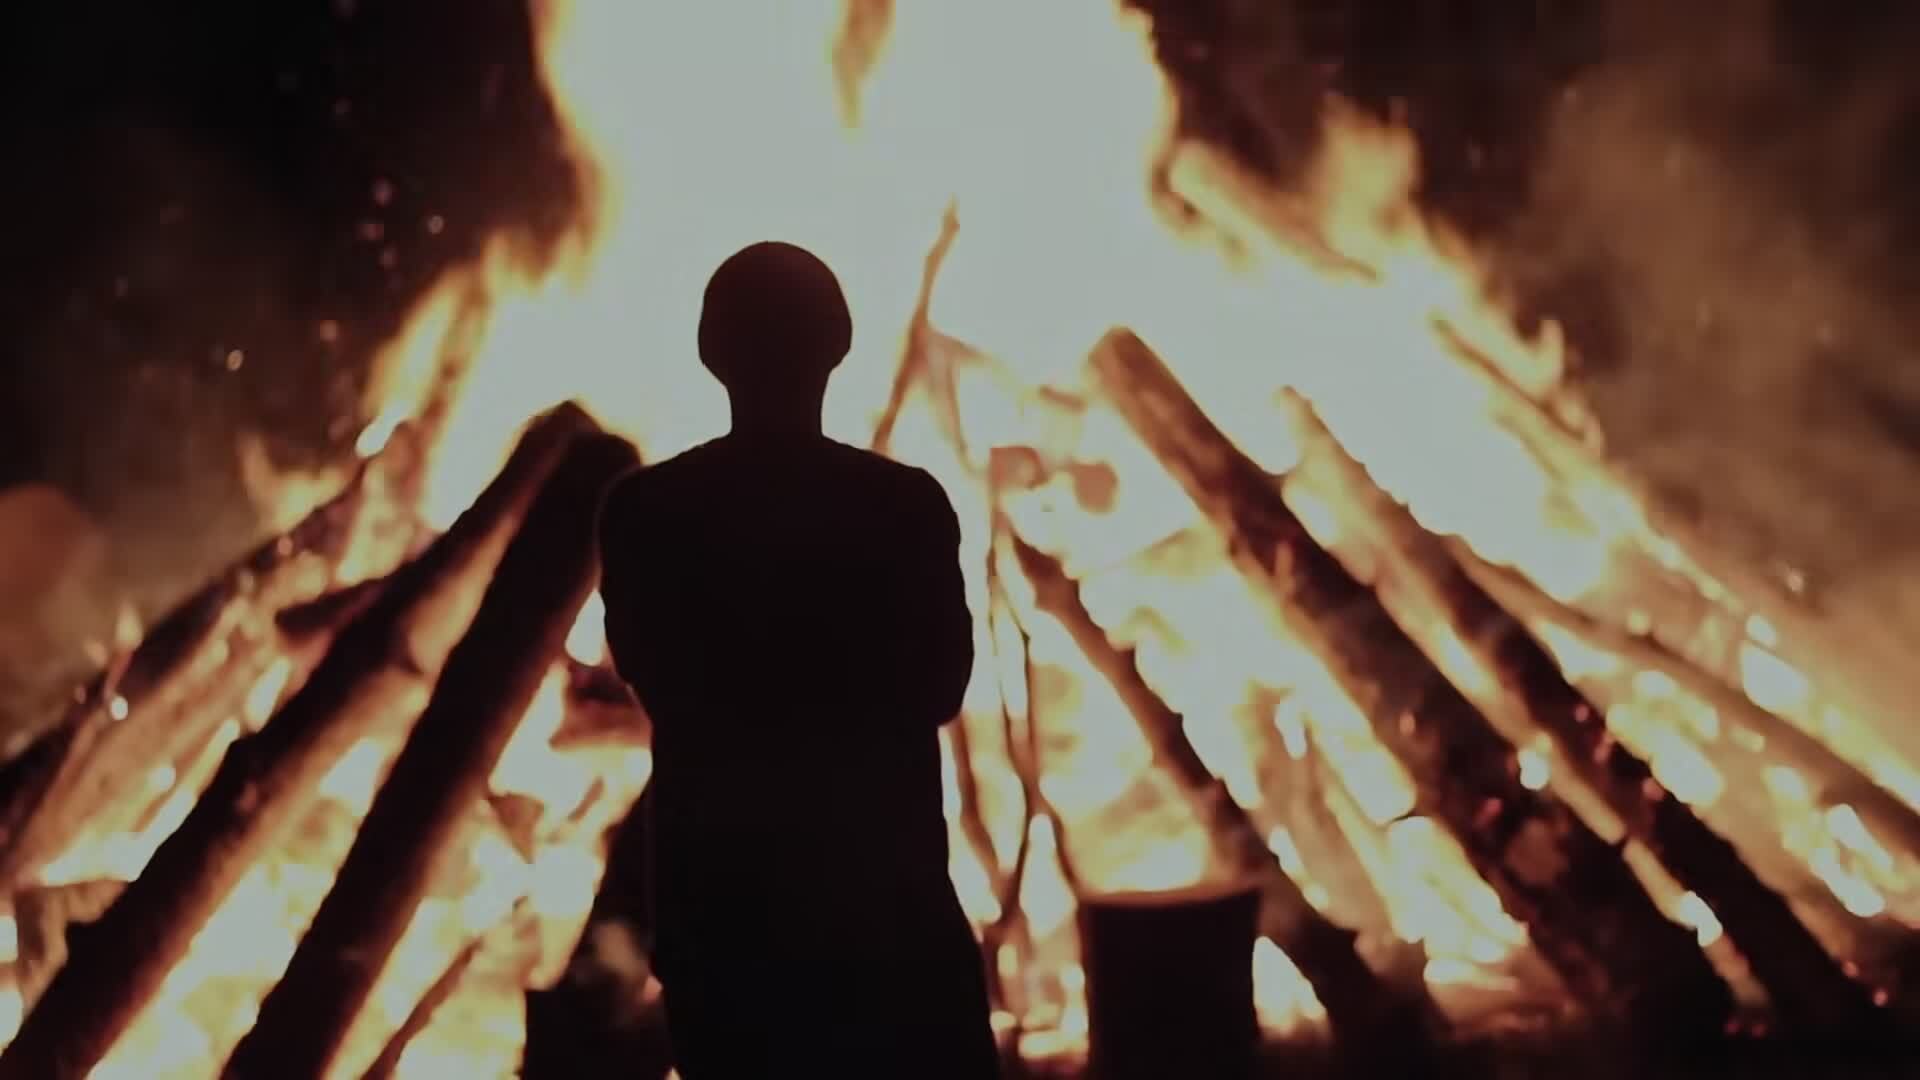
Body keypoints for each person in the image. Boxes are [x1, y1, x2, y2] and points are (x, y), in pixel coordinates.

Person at [598, 241, 1000, 1078]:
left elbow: (652, 674)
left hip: (725, 928)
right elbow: (942, 685)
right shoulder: (905, 508)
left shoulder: (645, 514)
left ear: (711, 352)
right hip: (889, 922)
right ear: (838, 347)